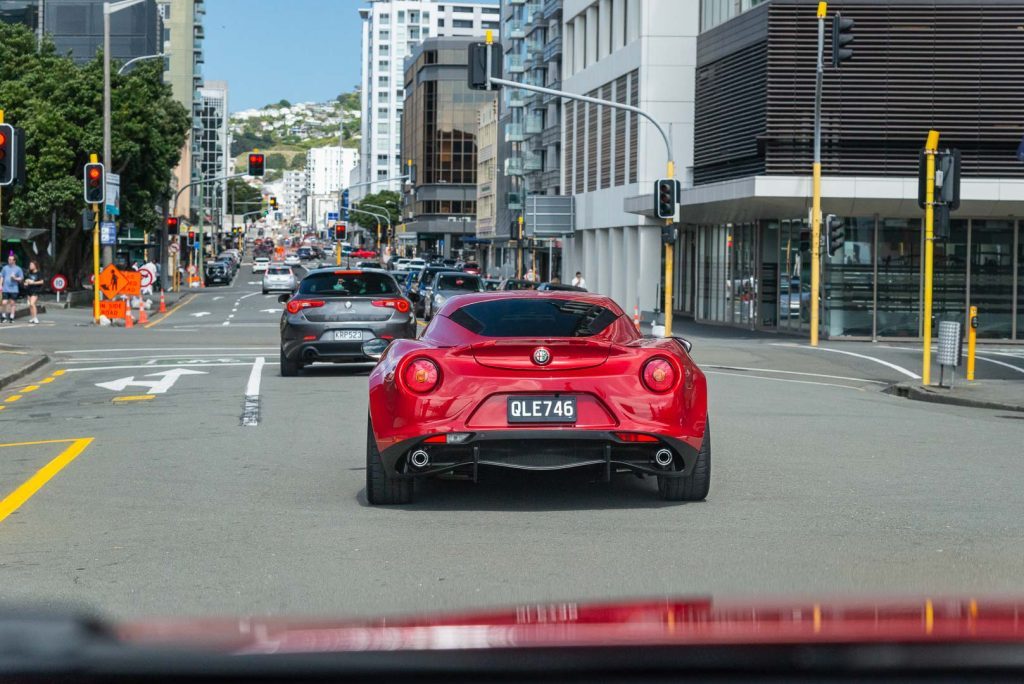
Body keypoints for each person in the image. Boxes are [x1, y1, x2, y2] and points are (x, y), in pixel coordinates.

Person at [0, 254, 24, 324]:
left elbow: (21, 279)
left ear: (14, 261)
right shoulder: (5, 268)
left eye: (11, 259)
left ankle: (12, 316)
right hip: (5, 288)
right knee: (4, 302)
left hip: (14, 289)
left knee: (12, 303)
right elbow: (2, 276)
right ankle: (3, 315)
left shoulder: (18, 269)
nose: (9, 261)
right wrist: (0, 285)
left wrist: (15, 278)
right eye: (8, 259)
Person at [23, 260, 44, 324]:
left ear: (35, 266)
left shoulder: (39, 273)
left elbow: (42, 282)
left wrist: (33, 282)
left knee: (32, 304)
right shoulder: (28, 273)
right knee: (30, 305)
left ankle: (35, 317)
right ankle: (32, 318)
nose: (30, 266)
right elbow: (25, 281)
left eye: (31, 265)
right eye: (30, 265)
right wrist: (26, 283)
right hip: (29, 290)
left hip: (35, 290)